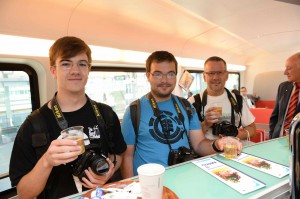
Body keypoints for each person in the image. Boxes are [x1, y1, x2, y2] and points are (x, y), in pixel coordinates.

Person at [9, 36, 127, 198]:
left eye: (82, 64)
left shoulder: (106, 114)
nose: (75, 71)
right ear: (53, 71)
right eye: (65, 64)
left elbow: (118, 154)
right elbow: (24, 193)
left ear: (88, 69)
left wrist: (109, 170)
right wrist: (47, 161)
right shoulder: (34, 125)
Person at [120, 51, 242, 178]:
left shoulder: (186, 106)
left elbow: (199, 144)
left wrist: (217, 144)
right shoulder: (134, 110)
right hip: (150, 182)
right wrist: (131, 187)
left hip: (183, 177)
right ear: (148, 76)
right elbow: (127, 157)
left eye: (170, 74)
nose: (165, 80)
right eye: (157, 74)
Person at [188, 56, 256, 145]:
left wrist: (236, 134)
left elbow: (252, 129)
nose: (215, 78)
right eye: (211, 73)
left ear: (227, 75)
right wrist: (205, 124)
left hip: (233, 150)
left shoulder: (237, 99)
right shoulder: (193, 102)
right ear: (204, 76)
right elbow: (186, 136)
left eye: (220, 73)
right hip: (206, 153)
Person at [269, 52, 300, 139]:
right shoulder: (283, 86)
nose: (285, 72)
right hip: (278, 140)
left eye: (289, 68)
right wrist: (272, 136)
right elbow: (275, 116)